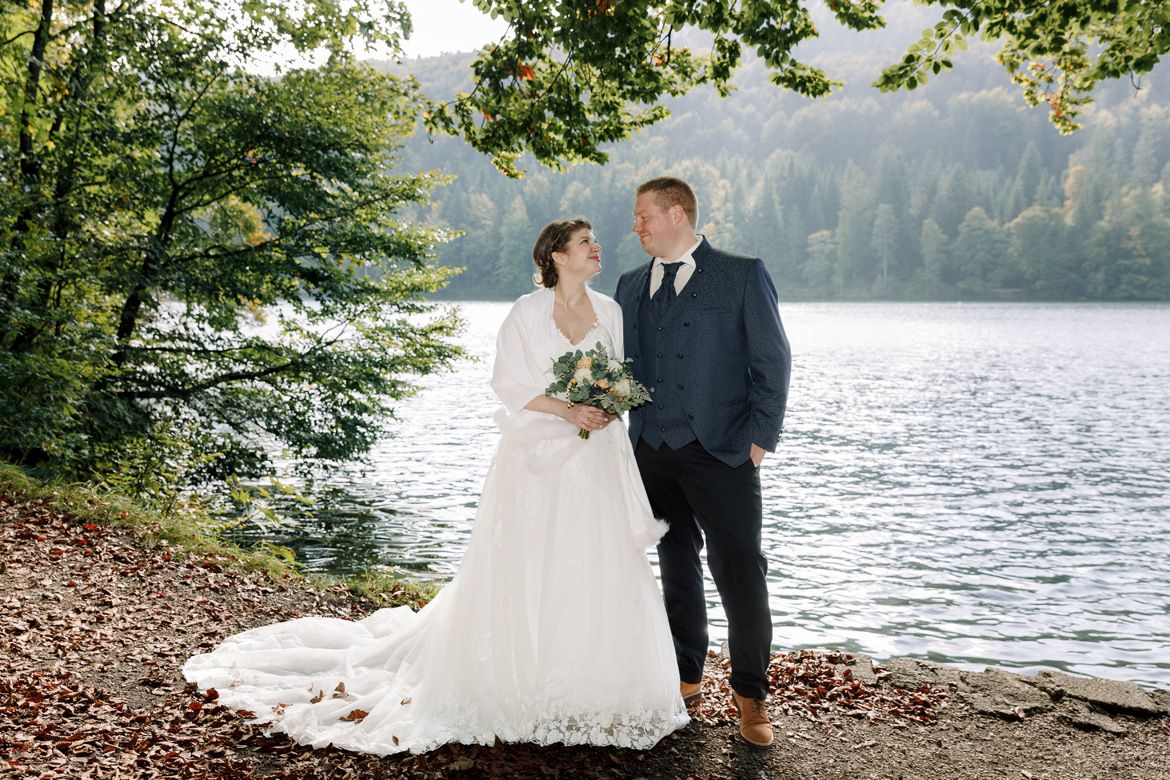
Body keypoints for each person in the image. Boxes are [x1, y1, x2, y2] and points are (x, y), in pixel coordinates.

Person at [183, 218, 689, 755]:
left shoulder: (609, 310)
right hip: (534, 457)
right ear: (558, 256)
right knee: (527, 559)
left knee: (591, 561)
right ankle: (522, 682)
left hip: (594, 462)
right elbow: (508, 383)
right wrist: (569, 410)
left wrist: (606, 407)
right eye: (586, 242)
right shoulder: (525, 312)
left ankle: (593, 684)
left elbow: (616, 375)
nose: (597, 247)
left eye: (594, 240)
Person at [614, 177, 791, 748]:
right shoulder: (629, 283)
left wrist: (758, 440)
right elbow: (623, 367)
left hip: (724, 453)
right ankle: (687, 676)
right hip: (652, 451)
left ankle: (751, 696)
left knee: (740, 573)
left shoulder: (742, 273)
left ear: (677, 213)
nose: (636, 227)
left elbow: (772, 361)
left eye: (644, 217)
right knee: (676, 565)